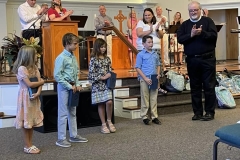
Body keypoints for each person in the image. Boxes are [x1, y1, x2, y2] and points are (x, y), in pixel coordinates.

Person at [177, 1, 217, 121]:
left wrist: (201, 32)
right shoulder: (184, 25)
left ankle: (210, 112)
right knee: (195, 87)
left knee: (209, 86)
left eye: (195, 10)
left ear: (200, 10)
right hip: (192, 60)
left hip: (207, 59)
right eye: (191, 10)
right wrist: (192, 34)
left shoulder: (208, 21)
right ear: (188, 11)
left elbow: (214, 36)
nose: (193, 12)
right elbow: (180, 39)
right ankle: (197, 112)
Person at [54, 33, 88, 147]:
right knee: (63, 113)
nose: (76, 45)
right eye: (74, 43)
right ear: (67, 44)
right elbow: (58, 76)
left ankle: (74, 135)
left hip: (73, 87)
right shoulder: (61, 58)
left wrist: (78, 84)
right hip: (64, 88)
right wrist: (69, 86)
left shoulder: (73, 57)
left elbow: (76, 72)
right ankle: (61, 138)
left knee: (72, 112)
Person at [12, 45, 45, 154]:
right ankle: (27, 145)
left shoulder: (35, 68)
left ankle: (30, 143)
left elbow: (39, 81)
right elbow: (30, 84)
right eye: (35, 54)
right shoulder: (22, 69)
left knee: (31, 122)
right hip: (25, 98)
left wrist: (39, 92)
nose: (37, 56)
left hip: (34, 96)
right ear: (29, 56)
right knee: (26, 122)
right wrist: (42, 82)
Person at [88, 38, 116, 134]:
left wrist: (110, 75)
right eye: (101, 47)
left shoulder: (107, 59)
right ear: (97, 47)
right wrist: (102, 77)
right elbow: (91, 75)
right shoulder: (93, 59)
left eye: (104, 47)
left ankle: (109, 121)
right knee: (101, 104)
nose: (103, 49)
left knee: (109, 102)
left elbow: (109, 71)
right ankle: (103, 124)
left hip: (107, 85)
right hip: (98, 85)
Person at [136, 8, 166, 94]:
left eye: (149, 15)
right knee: (146, 68)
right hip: (144, 48)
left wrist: (156, 29)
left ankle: (157, 86)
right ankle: (145, 85)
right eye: (145, 15)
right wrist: (150, 30)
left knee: (157, 67)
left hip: (156, 48)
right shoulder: (141, 23)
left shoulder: (156, 23)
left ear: (152, 15)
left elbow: (161, 36)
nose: (147, 16)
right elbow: (139, 34)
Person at [135, 35, 161, 125]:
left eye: (151, 42)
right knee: (145, 97)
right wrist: (145, 78)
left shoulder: (155, 54)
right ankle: (144, 116)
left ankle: (154, 116)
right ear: (143, 44)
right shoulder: (140, 54)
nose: (151, 44)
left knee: (154, 97)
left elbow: (158, 65)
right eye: (149, 42)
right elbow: (138, 67)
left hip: (153, 78)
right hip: (144, 78)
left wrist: (158, 74)